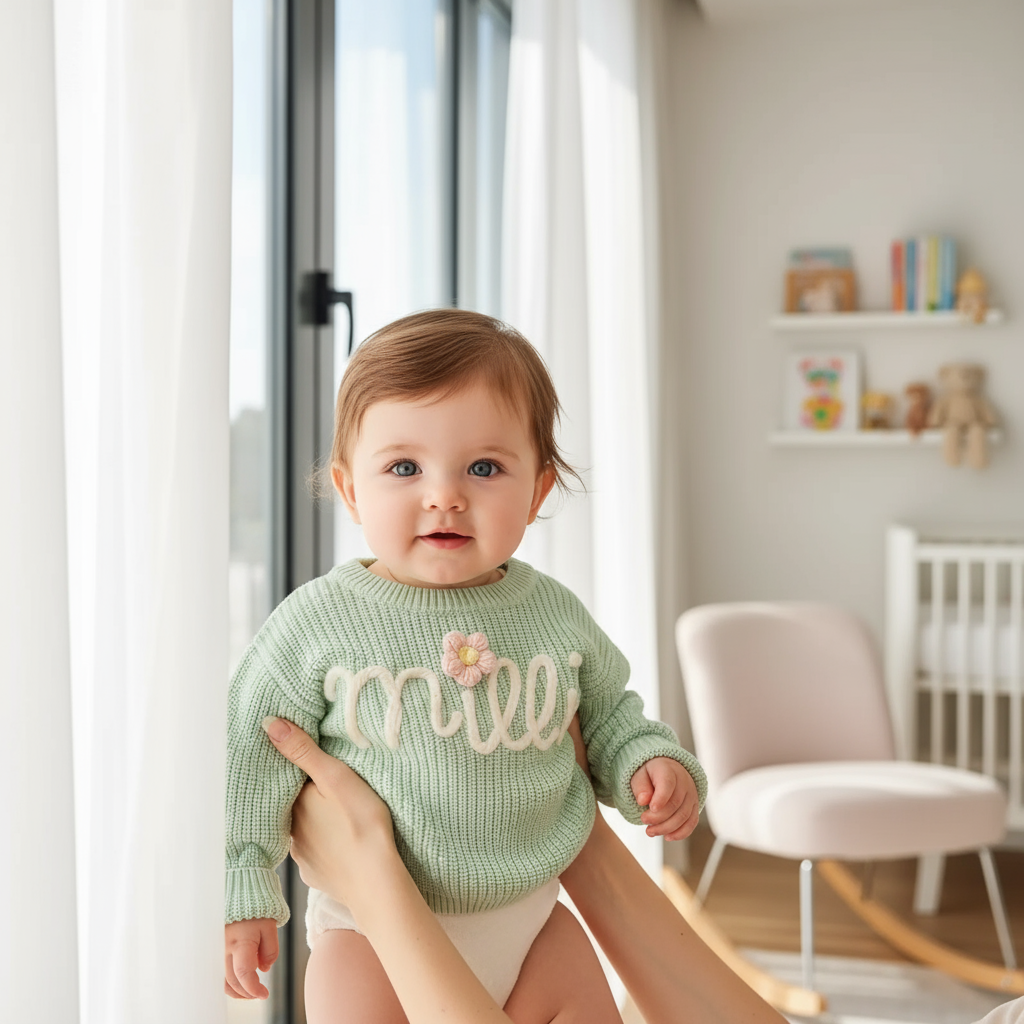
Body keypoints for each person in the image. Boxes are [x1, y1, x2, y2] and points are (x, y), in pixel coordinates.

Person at [223, 309, 708, 1023]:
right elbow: (250, 756)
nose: (444, 495)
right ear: (351, 489)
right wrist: (244, 886)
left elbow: (610, 715)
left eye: (484, 468)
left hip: (534, 920)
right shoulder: (317, 621)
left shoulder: (552, 614)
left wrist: (649, 762)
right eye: (404, 468)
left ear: (537, 491)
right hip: (369, 936)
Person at [261, 713, 790, 1024]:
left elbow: (615, 709)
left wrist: (372, 880)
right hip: (383, 945)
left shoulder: (549, 610)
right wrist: (573, 821)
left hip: (521, 925)